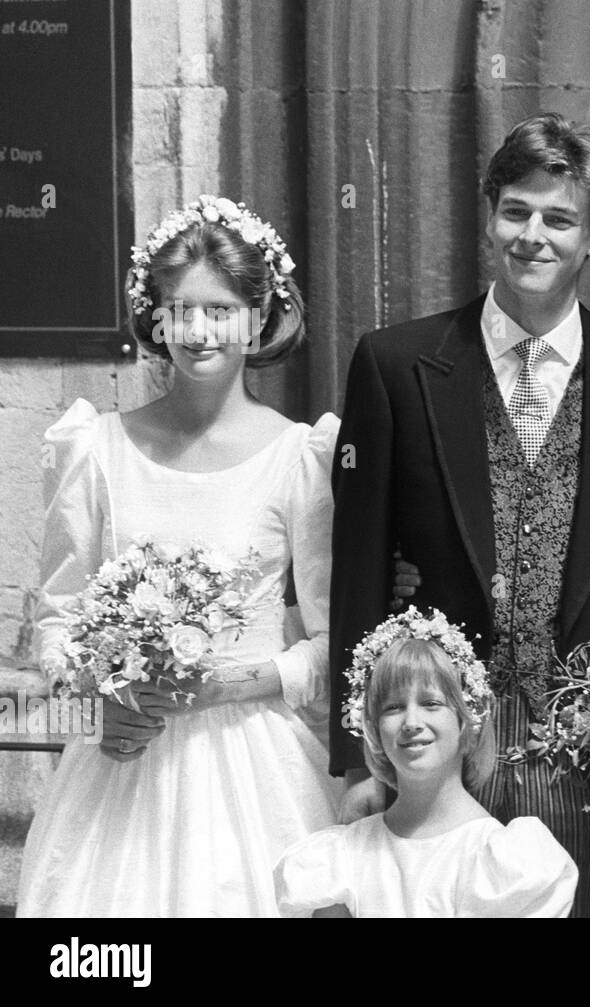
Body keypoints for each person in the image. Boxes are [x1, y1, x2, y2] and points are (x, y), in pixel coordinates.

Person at [329, 113, 590, 917]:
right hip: (436, 768)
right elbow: (360, 567)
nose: (533, 236)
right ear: (489, 215)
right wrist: (354, 760)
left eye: (559, 218)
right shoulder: (394, 365)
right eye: (515, 210)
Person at [19, 195, 341, 916]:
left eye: (220, 309)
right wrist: (103, 699)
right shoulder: (92, 446)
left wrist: (233, 683)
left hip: (255, 762)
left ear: (258, 318)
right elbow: (57, 621)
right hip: (121, 761)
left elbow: (327, 643)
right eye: (179, 308)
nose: (198, 330)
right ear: (154, 318)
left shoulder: (298, 456)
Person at [275, 617, 577, 917]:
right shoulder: (338, 859)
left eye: (431, 703)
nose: (411, 723)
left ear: (466, 720)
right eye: (393, 707)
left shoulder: (506, 865)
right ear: (374, 728)